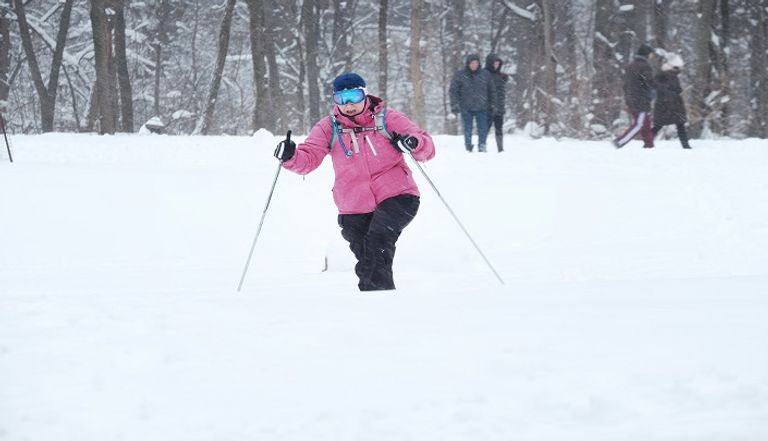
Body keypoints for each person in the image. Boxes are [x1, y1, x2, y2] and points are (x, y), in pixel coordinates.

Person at [273, 72, 436, 292]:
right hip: (353, 205)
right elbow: (309, 158)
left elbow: (426, 147)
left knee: (377, 243)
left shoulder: (387, 119)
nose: (349, 105)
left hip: (397, 195)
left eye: (354, 97)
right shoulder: (328, 127)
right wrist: (290, 156)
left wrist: (413, 143)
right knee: (369, 258)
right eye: (342, 99)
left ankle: (376, 302)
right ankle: (378, 303)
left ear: (365, 96)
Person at [449, 53, 496, 152]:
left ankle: (482, 145)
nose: (474, 65)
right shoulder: (460, 75)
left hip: (482, 106)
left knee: (483, 128)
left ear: (479, 64)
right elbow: (453, 90)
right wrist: (454, 104)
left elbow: (492, 90)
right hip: (466, 107)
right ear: (468, 63)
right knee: (467, 128)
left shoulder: (485, 75)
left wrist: (493, 104)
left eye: (476, 63)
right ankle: (468, 145)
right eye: (472, 63)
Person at [614, 44, 657, 149]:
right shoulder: (644, 66)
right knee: (639, 124)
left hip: (631, 97)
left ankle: (649, 145)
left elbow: (627, 83)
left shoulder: (631, 65)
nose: (652, 57)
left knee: (645, 122)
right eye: (651, 54)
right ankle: (619, 142)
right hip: (640, 99)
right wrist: (655, 89)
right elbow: (647, 82)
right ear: (647, 54)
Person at [652, 54, 692, 149]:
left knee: (675, 125)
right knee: (663, 125)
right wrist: (669, 94)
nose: (679, 70)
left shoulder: (669, 75)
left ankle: (686, 145)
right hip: (668, 105)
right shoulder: (666, 75)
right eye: (678, 67)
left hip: (670, 105)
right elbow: (660, 87)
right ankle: (686, 146)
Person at [485, 53, 509, 152]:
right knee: (485, 128)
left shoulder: (501, 76)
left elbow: (502, 93)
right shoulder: (484, 75)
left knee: (499, 128)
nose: (496, 65)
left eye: (498, 64)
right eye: (494, 63)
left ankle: (500, 148)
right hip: (488, 107)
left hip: (500, 106)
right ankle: (482, 146)